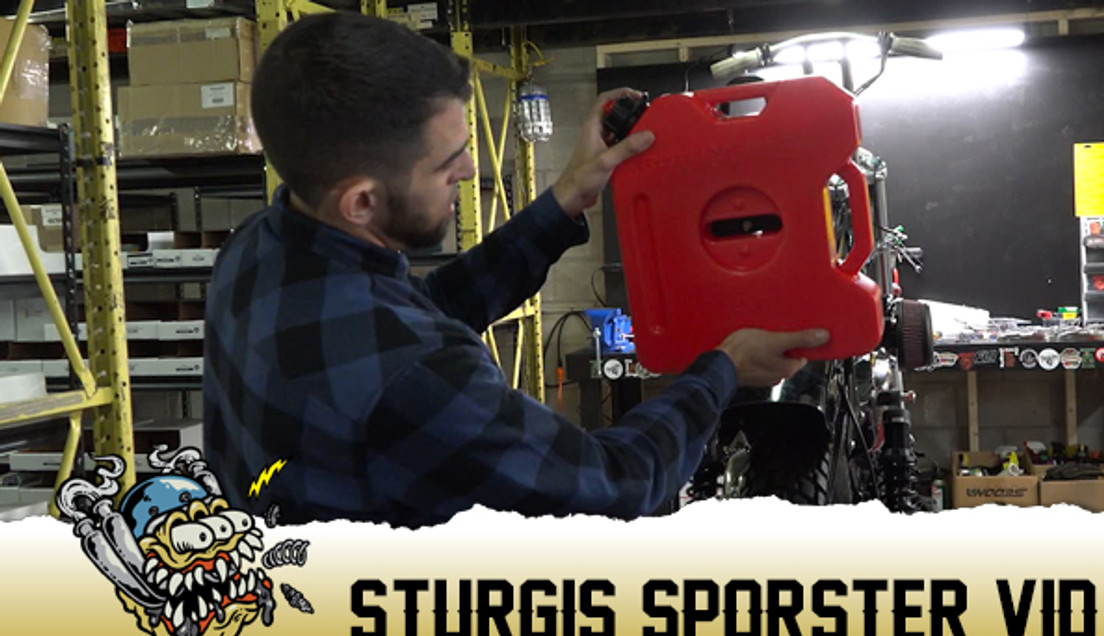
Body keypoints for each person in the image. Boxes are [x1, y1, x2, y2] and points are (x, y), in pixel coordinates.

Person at [203, 11, 829, 528]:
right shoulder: (417, 377)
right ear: (361, 201)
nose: (469, 170)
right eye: (447, 162)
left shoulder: (259, 248)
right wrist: (724, 370)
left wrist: (566, 199)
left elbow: (423, 312)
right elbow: (615, 485)